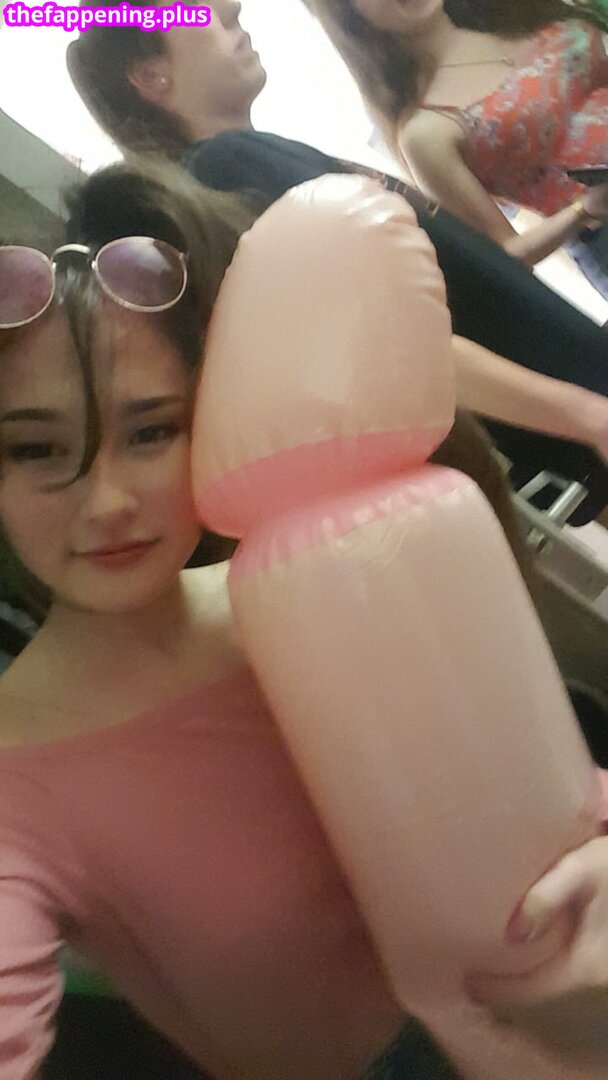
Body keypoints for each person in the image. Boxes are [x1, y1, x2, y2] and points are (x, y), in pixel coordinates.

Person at [0, 155, 475, 1080]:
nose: (107, 503)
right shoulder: (15, 780)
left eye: (151, 432)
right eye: (36, 450)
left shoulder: (321, 584)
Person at [65, 0, 608, 521]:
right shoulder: (226, 169)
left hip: (565, 399)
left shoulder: (244, 160)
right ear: (151, 75)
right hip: (564, 411)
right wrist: (584, 414)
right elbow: (383, 338)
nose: (230, 8)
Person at [304, 0, 608, 298]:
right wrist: (583, 209)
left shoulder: (517, 14)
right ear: (347, 17)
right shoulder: (425, 130)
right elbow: (505, 254)